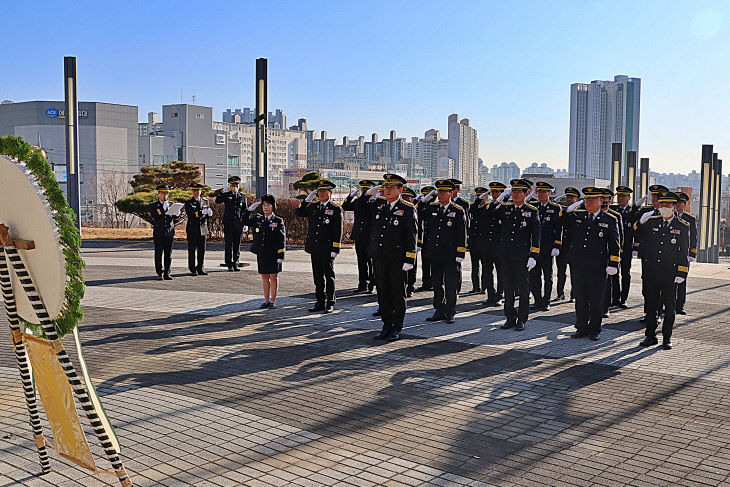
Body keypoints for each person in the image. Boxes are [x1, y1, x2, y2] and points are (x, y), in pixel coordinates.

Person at [634, 191, 689, 350]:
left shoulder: (682, 226)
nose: (664, 207)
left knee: (670, 308)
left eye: (668, 205)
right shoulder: (651, 221)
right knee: (651, 307)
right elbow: (636, 233)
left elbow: (683, 251)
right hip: (652, 272)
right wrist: (640, 222)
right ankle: (650, 336)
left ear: (674, 206)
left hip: (670, 274)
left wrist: (681, 273)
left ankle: (667, 337)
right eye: (662, 204)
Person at [565, 187, 620, 341]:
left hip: (598, 266)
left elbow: (614, 244)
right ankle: (581, 327)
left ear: (600, 201)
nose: (589, 203)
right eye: (587, 199)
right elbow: (561, 219)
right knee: (580, 298)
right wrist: (570, 208)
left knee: (596, 299)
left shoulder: (609, 219)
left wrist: (613, 264)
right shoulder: (579, 217)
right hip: (579, 265)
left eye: (592, 199)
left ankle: (595, 329)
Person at [368, 174, 417, 341]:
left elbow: (412, 236)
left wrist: (410, 259)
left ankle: (397, 327)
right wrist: (371, 192)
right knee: (383, 293)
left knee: (397, 294)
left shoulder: (408, 208)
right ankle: (386, 326)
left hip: (398, 260)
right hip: (380, 258)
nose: (387, 191)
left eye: (391, 188)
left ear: (400, 190)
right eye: (385, 188)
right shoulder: (380, 206)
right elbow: (359, 206)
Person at [487, 179, 540, 331]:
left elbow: (536, 235)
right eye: (514, 192)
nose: (516, 195)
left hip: (522, 256)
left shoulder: (531, 210)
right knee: (508, 288)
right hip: (506, 255)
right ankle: (510, 317)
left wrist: (533, 255)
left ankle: (522, 319)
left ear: (526, 194)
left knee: (523, 289)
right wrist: (501, 198)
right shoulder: (505, 208)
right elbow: (490, 212)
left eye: (519, 192)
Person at [423, 179, 467, 324]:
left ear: (451, 193)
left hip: (450, 254)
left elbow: (461, 233)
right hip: (435, 253)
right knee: (437, 283)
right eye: (439, 192)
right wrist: (426, 198)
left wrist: (461, 253)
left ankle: (450, 311)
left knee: (451, 284)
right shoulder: (432, 208)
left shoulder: (458, 210)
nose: (440, 195)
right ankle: (439, 309)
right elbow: (419, 215)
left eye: (444, 192)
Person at [296, 178, 343, 313]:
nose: (321, 194)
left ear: (330, 193)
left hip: (327, 248)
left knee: (329, 276)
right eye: (320, 191)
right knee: (317, 277)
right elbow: (299, 212)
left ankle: (330, 302)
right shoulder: (314, 206)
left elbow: (337, 230)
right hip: (315, 247)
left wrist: (336, 248)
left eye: (324, 191)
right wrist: (306, 200)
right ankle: (320, 301)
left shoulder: (335, 208)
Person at [243, 194, 286, 309]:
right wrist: (248, 210)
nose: (266, 207)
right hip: (262, 252)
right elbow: (244, 221)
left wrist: (281, 254)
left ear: (273, 206)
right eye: (264, 205)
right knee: (264, 277)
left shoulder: (278, 220)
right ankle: (266, 300)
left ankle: (273, 301)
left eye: (268, 205)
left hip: (273, 253)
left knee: (273, 276)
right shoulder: (258, 219)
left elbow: (281, 239)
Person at [637, 184, 669, 323]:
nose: (655, 199)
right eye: (654, 196)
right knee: (647, 286)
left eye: (658, 196)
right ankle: (649, 313)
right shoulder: (646, 211)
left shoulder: (667, 213)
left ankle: (658, 312)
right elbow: (635, 229)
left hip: (663, 257)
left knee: (660, 285)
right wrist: (640, 221)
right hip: (648, 255)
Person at [529, 181, 563, 311]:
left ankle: (546, 300)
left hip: (548, 248)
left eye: (544, 192)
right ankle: (537, 299)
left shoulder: (555, 208)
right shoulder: (533, 207)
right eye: (539, 192)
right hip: (534, 248)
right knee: (533, 275)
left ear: (549, 193)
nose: (541, 194)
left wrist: (557, 246)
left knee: (547, 275)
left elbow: (559, 229)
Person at [611, 186, 645, 307]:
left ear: (629, 198)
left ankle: (623, 298)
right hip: (614, 247)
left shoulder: (634, 211)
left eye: (623, 196)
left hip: (626, 247)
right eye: (619, 195)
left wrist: (636, 247)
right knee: (613, 272)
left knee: (625, 273)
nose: (620, 198)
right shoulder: (613, 209)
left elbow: (637, 232)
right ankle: (614, 297)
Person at [342, 180, 376, 294]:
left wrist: (370, 196)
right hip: (359, 235)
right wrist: (351, 195)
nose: (364, 191)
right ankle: (362, 284)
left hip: (370, 235)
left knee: (370, 262)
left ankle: (372, 284)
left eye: (367, 189)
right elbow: (345, 206)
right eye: (363, 189)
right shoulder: (357, 201)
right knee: (361, 261)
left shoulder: (373, 202)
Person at [477, 182, 506, 306]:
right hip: (487, 245)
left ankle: (499, 295)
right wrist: (481, 198)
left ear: (502, 193)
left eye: (497, 192)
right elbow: (475, 211)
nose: (495, 194)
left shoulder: (506, 207)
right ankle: (490, 295)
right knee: (487, 271)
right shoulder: (489, 206)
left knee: (501, 272)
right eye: (493, 192)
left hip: (500, 246)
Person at [599, 188, 623, 317]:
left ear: (610, 200)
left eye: (606, 198)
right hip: (594, 255)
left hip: (608, 255)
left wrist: (617, 257)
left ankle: (605, 308)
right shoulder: (591, 214)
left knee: (607, 283)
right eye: (601, 198)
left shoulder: (615, 216)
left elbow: (619, 238)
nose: (603, 201)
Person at [215, 176, 246, 271]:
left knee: (237, 244)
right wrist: (222, 192)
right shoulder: (227, 195)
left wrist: (245, 223)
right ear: (230, 186)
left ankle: (236, 263)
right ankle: (229, 263)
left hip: (238, 224)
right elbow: (217, 201)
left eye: (236, 184)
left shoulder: (242, 196)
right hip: (228, 223)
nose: (235, 186)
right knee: (228, 244)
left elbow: (245, 210)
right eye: (233, 185)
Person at [555, 187, 580, 302]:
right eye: (567, 197)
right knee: (561, 271)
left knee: (574, 273)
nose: (569, 199)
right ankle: (560, 293)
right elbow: (558, 224)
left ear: (577, 199)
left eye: (571, 197)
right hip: (563, 245)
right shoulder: (563, 211)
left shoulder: (581, 212)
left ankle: (574, 295)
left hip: (575, 247)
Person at [675, 192, 697, 315]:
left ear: (685, 204)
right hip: (671, 254)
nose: (678, 205)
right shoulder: (669, 216)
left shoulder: (690, 219)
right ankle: (668, 304)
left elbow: (694, 237)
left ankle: (680, 306)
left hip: (684, 255)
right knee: (669, 281)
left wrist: (692, 253)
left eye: (680, 203)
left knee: (682, 280)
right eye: (676, 202)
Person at [150, 185, 178, 280]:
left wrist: (176, 214)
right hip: (159, 232)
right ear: (158, 194)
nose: (165, 195)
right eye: (163, 193)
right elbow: (155, 216)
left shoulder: (171, 204)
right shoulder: (154, 205)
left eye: (166, 193)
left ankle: (167, 272)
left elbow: (173, 218)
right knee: (158, 253)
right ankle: (159, 272)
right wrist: (163, 209)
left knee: (168, 254)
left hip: (169, 231)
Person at [184, 183, 212, 276]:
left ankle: (200, 268)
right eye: (194, 190)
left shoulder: (205, 201)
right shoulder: (188, 203)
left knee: (201, 250)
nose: (196, 192)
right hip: (192, 229)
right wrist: (201, 212)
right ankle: (192, 269)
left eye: (198, 190)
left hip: (203, 229)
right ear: (192, 191)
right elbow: (191, 214)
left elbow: (206, 216)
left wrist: (209, 215)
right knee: (192, 250)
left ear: (200, 191)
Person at [466, 187, 489, 294]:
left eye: (483, 197)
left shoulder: (488, 208)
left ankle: (484, 287)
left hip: (484, 242)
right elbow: (471, 210)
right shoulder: (474, 207)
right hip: (474, 242)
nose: (481, 199)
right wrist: (478, 200)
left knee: (485, 266)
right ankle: (476, 286)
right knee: (475, 266)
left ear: (487, 198)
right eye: (478, 197)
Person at [416, 185, 436, 291]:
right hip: (426, 238)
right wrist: (421, 201)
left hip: (435, 239)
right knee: (425, 262)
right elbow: (418, 213)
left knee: (434, 263)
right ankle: (426, 282)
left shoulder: (435, 206)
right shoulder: (423, 206)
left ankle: (434, 282)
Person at [401, 186, 419, 297]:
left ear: (411, 199)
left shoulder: (413, 208)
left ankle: (410, 287)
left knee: (412, 267)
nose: (405, 198)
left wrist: (419, 243)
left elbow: (419, 228)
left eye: (407, 197)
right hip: (400, 244)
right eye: (403, 196)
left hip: (411, 243)